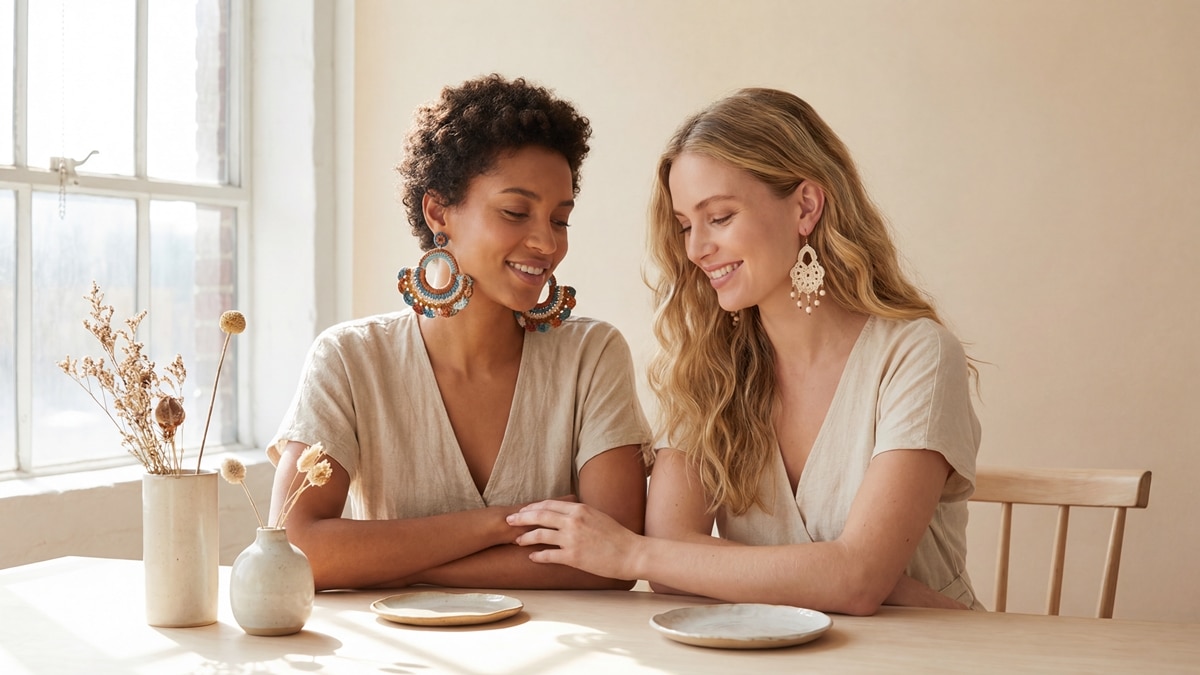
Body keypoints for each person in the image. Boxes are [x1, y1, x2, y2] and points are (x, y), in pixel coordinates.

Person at [508, 88, 983, 615]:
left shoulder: (916, 357)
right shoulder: (705, 366)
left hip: (930, 656)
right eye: (686, 224)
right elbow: (674, 569)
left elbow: (856, 581)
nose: (695, 249)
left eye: (720, 217)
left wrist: (637, 554)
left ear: (805, 207)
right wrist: (830, 573)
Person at [267, 74, 652, 592]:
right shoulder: (349, 359)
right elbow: (296, 550)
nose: (546, 242)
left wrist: (393, 560)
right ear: (438, 211)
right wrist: (499, 524)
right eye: (516, 212)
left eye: (560, 220)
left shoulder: (592, 354)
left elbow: (614, 558)